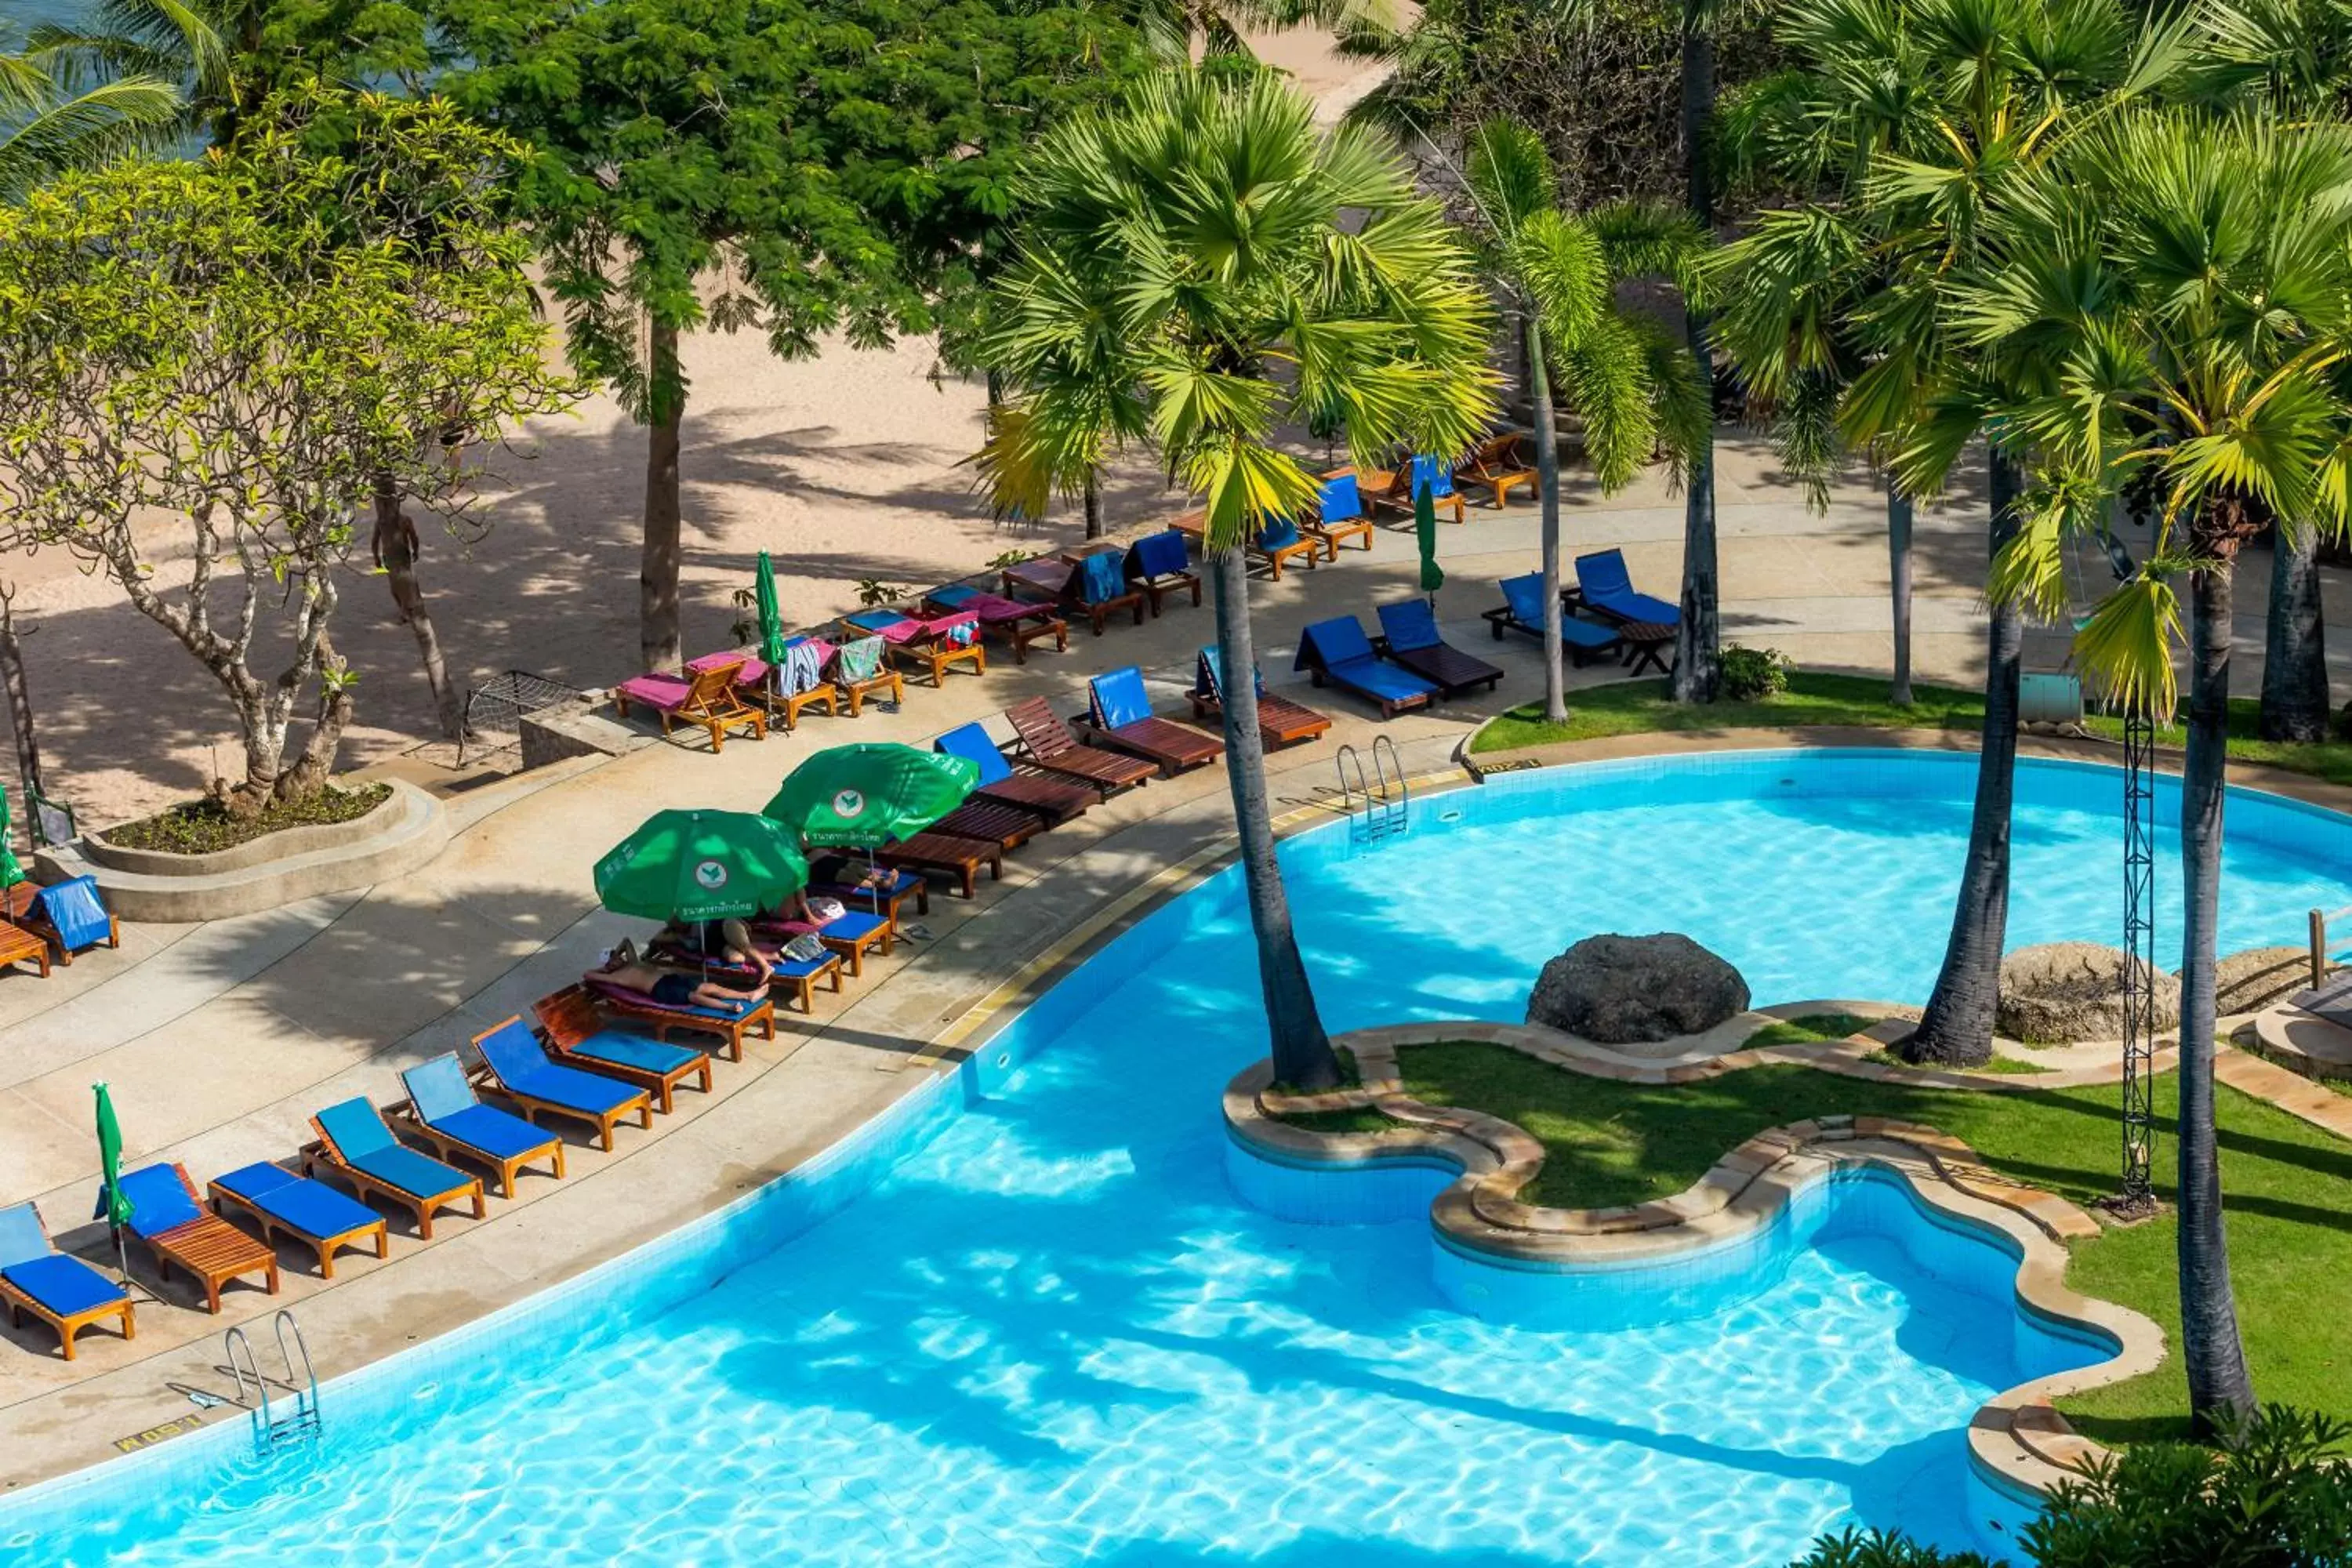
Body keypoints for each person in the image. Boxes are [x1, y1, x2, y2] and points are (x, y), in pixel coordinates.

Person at [593, 940, 760, 1010]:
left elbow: (627, 941)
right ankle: (730, 1007)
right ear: (609, 965)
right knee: (694, 996)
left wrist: (616, 954)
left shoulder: (632, 963)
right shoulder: (616, 977)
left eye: (617, 955)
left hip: (668, 979)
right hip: (659, 990)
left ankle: (747, 995)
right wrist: (605, 970)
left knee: (710, 986)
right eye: (613, 959)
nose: (618, 958)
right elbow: (588, 975)